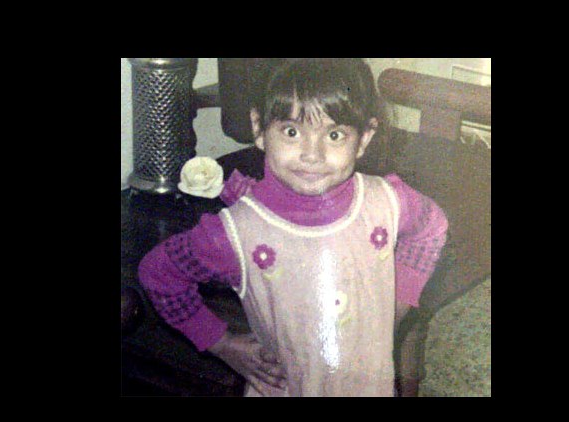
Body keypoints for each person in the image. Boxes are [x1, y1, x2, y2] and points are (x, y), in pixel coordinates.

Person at [138, 58, 448, 397]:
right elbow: (159, 273)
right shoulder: (235, 233)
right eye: (291, 132)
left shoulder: (389, 201)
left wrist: (400, 300)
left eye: (334, 135)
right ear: (259, 128)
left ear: (363, 139)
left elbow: (431, 228)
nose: (311, 154)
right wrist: (220, 342)